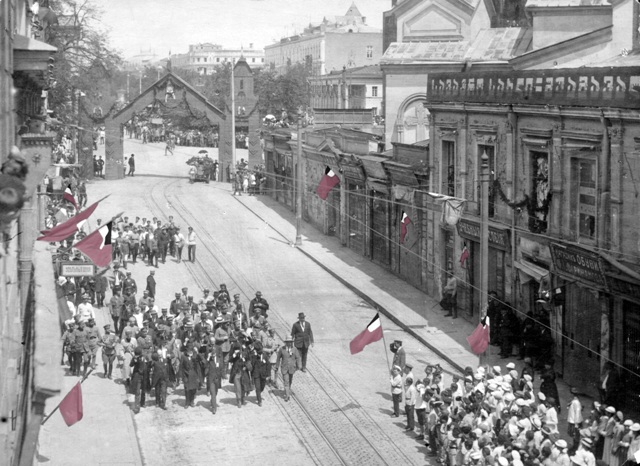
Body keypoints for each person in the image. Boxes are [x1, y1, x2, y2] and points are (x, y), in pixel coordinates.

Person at [229, 333, 252, 408]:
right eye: (241, 338)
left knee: (243, 386)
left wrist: (248, 335)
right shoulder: (234, 346)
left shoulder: (245, 346)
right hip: (236, 369)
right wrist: (234, 355)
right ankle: (238, 400)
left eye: (243, 338)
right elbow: (230, 358)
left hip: (244, 369)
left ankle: (242, 398)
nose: (242, 340)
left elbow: (248, 358)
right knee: (237, 386)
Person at [275, 335, 301, 402]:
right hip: (284, 368)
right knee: (286, 382)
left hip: (292, 368)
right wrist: (277, 366)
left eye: (290, 342)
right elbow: (278, 358)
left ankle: (287, 390)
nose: (289, 343)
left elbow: (298, 357)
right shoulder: (282, 349)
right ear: (285, 342)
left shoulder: (294, 349)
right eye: (288, 342)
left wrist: (299, 366)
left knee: (290, 381)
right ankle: (287, 395)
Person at [206, 342, 224, 414]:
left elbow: (221, 368)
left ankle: (212, 401)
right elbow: (204, 366)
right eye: (212, 354)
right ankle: (214, 408)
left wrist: (222, 375)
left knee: (215, 392)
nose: (213, 355)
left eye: (214, 354)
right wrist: (208, 358)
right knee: (213, 393)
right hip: (211, 379)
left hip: (217, 379)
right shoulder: (209, 360)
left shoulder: (219, 360)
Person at [180, 343, 200, 408]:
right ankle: (187, 402)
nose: (190, 352)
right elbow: (181, 367)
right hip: (186, 375)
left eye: (191, 351)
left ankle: (192, 401)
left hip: (194, 375)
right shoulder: (183, 356)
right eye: (189, 351)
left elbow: (197, 365)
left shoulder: (194, 356)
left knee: (193, 389)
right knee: (187, 389)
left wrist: (194, 355)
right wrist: (182, 377)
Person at [130, 347, 147, 413]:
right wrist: (134, 360)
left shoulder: (143, 358)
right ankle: (137, 407)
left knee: (143, 390)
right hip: (138, 376)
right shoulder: (135, 358)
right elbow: (131, 365)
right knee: (137, 391)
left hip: (143, 375)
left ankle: (142, 403)